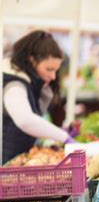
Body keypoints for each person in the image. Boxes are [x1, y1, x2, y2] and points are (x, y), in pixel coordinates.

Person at [2, 30, 74, 164]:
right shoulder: (14, 85)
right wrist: (64, 137)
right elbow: (25, 120)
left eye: (56, 70)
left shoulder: (28, 82)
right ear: (32, 60)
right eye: (49, 69)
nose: (53, 76)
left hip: (17, 159)